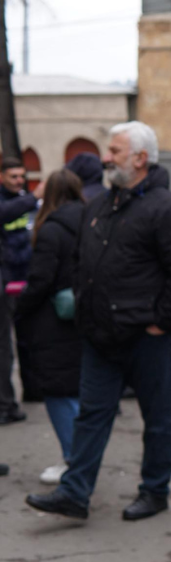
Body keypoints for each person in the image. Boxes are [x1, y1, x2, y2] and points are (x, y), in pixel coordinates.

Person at [25, 121, 171, 521]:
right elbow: (81, 258)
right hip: (100, 336)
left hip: (148, 337)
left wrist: (160, 321)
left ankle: (155, 491)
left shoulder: (166, 207)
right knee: (91, 415)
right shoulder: (102, 203)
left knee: (157, 419)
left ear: (140, 159)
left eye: (115, 151)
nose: (106, 158)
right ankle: (74, 492)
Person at [15, 169, 85, 484]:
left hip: (53, 323)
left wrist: (22, 310)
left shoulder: (51, 229)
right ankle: (81, 457)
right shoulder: (90, 220)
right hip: (85, 315)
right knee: (79, 391)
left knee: (58, 393)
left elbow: (40, 279)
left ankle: (73, 460)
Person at [0, 159, 43, 425]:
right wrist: (34, 197)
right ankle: (5, 405)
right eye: (13, 176)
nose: (19, 181)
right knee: (5, 348)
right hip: (4, 283)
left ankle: (33, 389)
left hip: (25, 281)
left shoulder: (26, 199)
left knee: (30, 339)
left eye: (22, 176)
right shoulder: (19, 202)